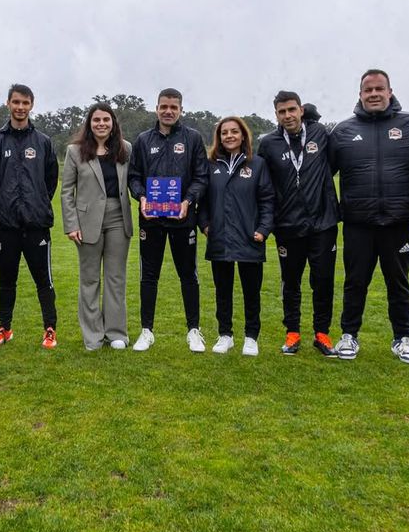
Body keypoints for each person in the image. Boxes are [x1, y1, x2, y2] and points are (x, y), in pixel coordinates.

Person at [328, 70, 409, 364]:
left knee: (398, 283)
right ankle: (349, 335)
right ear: (360, 94)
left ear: (390, 92)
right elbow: (326, 171)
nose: (373, 94)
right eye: (368, 89)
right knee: (355, 281)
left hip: (398, 223)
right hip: (358, 223)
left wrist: (405, 184)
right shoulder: (343, 131)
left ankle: (403, 338)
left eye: (379, 88)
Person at [127, 88, 209, 352]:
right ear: (156, 108)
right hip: (151, 220)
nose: (168, 111)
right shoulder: (143, 140)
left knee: (188, 276)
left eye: (174, 107)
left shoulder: (193, 138)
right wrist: (141, 197)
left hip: (183, 220)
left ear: (181, 110)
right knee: (149, 276)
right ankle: (146, 331)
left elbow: (201, 177)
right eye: (164, 106)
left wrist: (188, 201)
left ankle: (193, 331)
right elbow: (134, 177)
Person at [257, 91, 339, 357]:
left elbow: (334, 164)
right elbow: (264, 184)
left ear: (301, 110)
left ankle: (322, 333)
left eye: (292, 110)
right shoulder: (268, 144)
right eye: (282, 112)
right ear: (276, 115)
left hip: (323, 223)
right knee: (290, 281)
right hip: (288, 226)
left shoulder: (320, 134)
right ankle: (292, 332)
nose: (288, 116)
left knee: (323, 280)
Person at [0, 83, 59, 349]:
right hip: (6, 225)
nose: (20, 107)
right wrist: (6, 202)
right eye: (16, 102)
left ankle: (50, 329)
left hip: (36, 224)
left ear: (32, 105)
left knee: (43, 281)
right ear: (8, 103)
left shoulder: (43, 142)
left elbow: (50, 180)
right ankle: (4, 328)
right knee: (7, 280)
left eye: (25, 103)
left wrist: (36, 203)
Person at [198, 116, 274, 356]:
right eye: (224, 133)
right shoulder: (211, 165)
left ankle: (251, 337)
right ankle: (225, 335)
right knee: (223, 292)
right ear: (219, 138)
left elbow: (267, 200)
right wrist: (205, 225)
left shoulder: (257, 164)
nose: (229, 136)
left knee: (252, 292)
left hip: (250, 238)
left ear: (243, 136)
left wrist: (263, 229)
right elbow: (203, 201)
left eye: (234, 131)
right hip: (220, 238)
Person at [61, 104, 133, 351]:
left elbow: (135, 181)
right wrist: (71, 224)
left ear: (113, 123)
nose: (101, 124)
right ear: (89, 124)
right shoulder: (75, 151)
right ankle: (93, 335)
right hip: (87, 221)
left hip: (118, 218)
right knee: (90, 279)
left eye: (106, 119)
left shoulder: (125, 149)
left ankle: (116, 333)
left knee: (116, 278)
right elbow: (66, 191)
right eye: (96, 120)